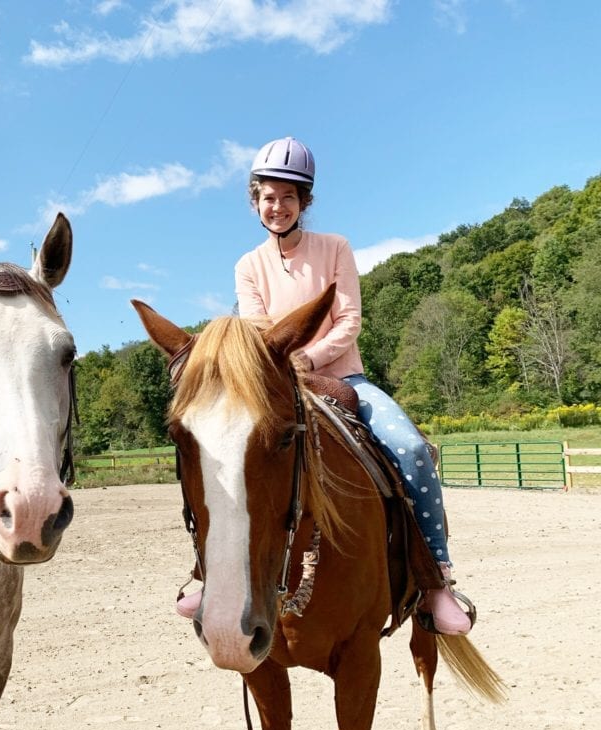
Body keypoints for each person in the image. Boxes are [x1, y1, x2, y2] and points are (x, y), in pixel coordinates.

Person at [178, 137, 473, 635]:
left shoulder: (335, 248)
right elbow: (256, 331)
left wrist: (307, 359)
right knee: (226, 453)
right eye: (268, 197)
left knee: (411, 449)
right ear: (255, 203)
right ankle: (208, 574)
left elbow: (349, 321)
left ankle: (436, 580)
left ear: (304, 202)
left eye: (288, 197)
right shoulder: (248, 265)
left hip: (343, 375)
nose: (278, 207)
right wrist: (280, 371)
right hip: (277, 385)